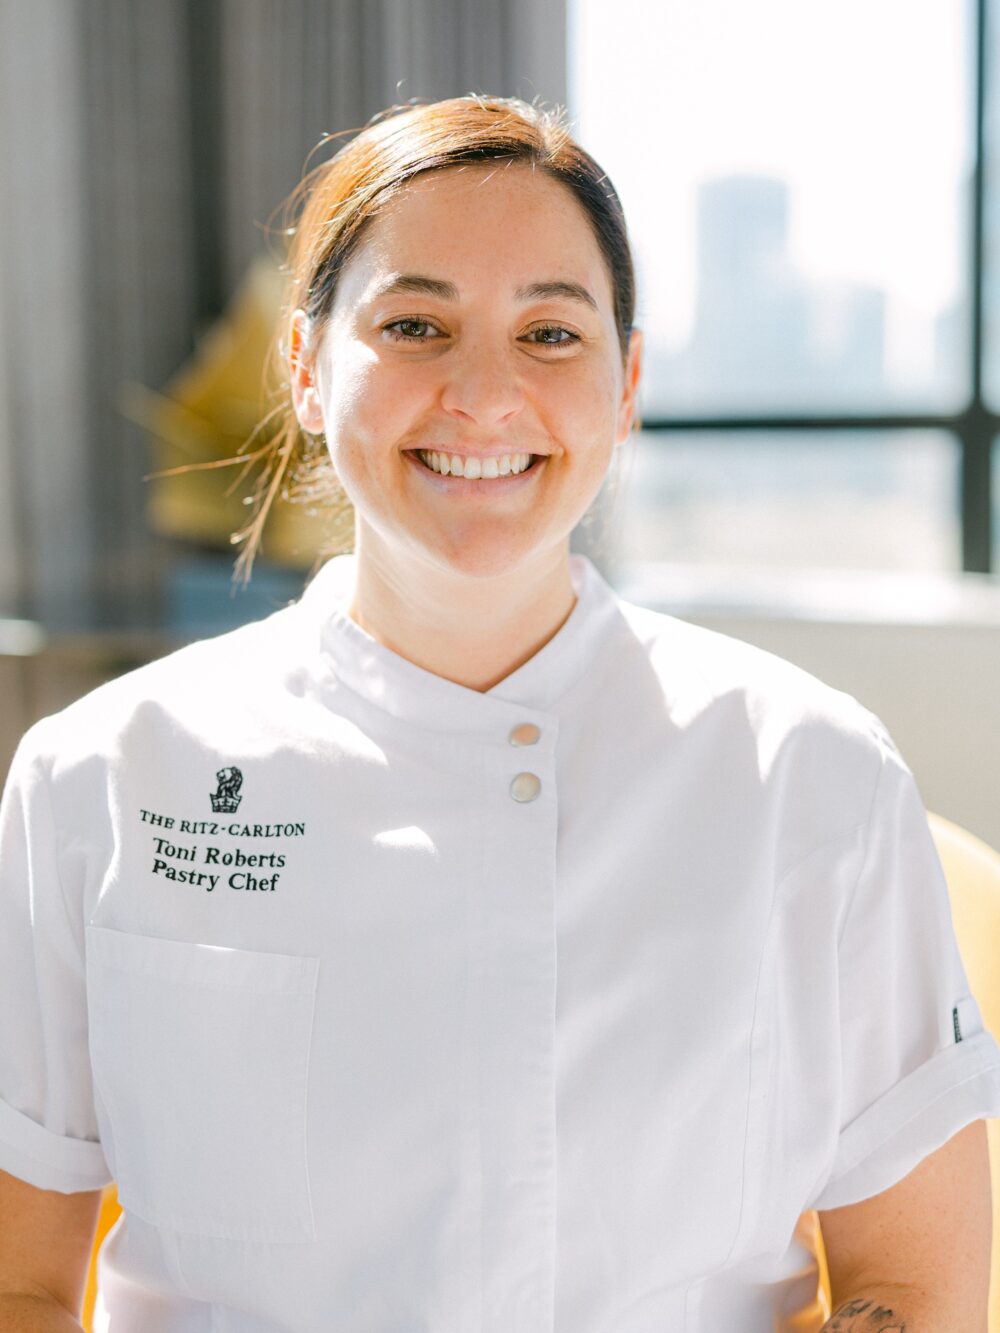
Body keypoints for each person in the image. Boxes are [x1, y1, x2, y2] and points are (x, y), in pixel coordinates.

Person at [0, 92, 998, 1333]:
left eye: (551, 333)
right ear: (307, 373)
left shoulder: (809, 774)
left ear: (626, 385)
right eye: (415, 324)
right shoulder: (102, 774)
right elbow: (20, 1280)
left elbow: (919, 1291)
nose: (482, 394)